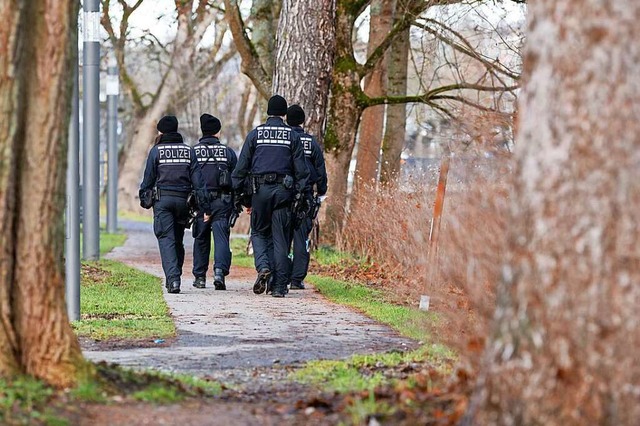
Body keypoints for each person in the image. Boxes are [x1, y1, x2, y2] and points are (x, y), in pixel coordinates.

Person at [231, 95, 309, 298]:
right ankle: (279, 287)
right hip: (284, 192)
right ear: (284, 114)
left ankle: (264, 267)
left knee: (258, 232)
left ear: (268, 112)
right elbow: (302, 171)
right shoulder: (292, 136)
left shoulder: (255, 134)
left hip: (260, 192)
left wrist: (239, 193)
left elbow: (241, 167)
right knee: (280, 240)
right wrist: (299, 193)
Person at [139, 115, 211, 294]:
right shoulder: (188, 151)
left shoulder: (156, 151)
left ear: (161, 131)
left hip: (162, 201)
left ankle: (173, 280)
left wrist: (144, 198)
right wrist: (205, 207)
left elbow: (148, 179)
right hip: (183, 202)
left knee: (166, 238)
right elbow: (199, 182)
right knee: (177, 239)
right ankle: (175, 273)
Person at [191, 114, 237, 290]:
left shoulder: (193, 152)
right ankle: (219, 273)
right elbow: (237, 178)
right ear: (218, 132)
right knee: (221, 237)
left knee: (201, 238)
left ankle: (200, 277)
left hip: (200, 202)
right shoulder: (228, 152)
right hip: (222, 202)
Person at [286, 105, 328, 290]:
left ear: (287, 119)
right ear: (303, 121)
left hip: (285, 194)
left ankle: (281, 275)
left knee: (281, 236)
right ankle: (297, 279)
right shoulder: (311, 143)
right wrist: (321, 191)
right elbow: (320, 170)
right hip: (306, 196)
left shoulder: (284, 140)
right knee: (301, 236)